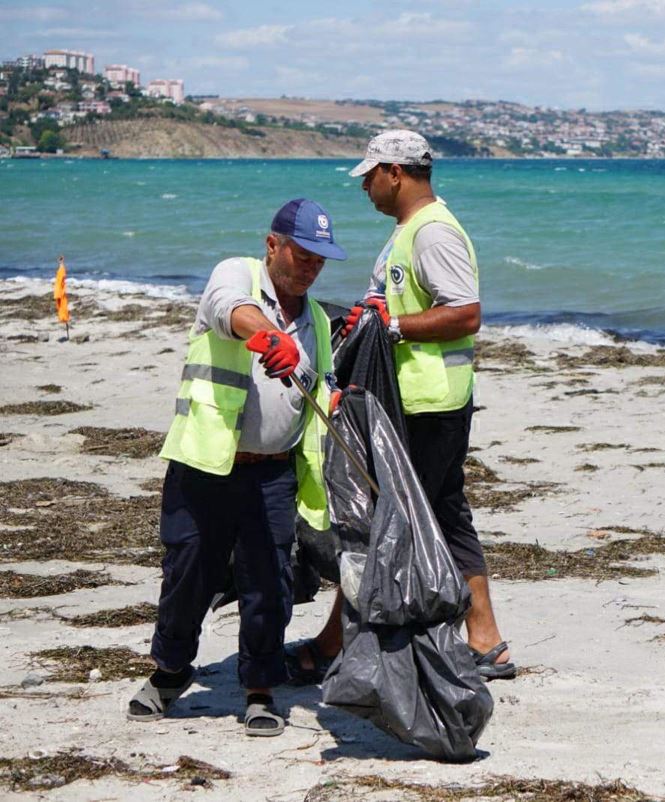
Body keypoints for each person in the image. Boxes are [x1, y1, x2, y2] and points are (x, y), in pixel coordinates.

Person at [287, 129, 516, 682]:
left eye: (370, 174)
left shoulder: (432, 232)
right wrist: (370, 313)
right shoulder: (409, 231)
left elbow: (465, 313)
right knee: (444, 511)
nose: (365, 186)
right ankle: (486, 641)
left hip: (423, 403)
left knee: (381, 521)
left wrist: (390, 326)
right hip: (427, 399)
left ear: (396, 172)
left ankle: (334, 642)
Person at [127, 199, 346, 736]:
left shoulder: (318, 320)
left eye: (320, 259)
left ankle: (260, 688)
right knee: (188, 575)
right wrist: (269, 337)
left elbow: (323, 394)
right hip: (206, 463)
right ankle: (170, 673)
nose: (311, 267)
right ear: (273, 245)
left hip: (273, 475)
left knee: (268, 584)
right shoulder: (236, 274)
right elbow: (229, 309)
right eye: (302, 253)